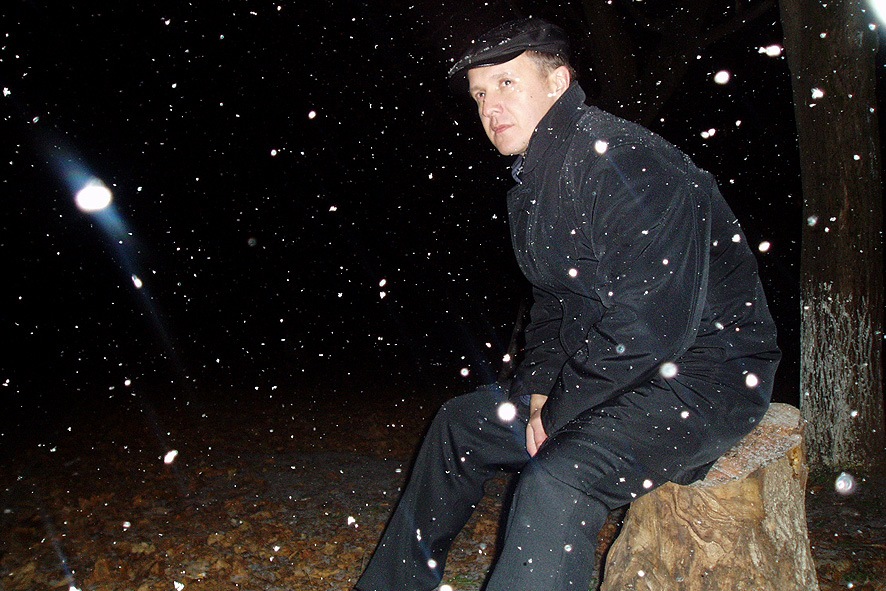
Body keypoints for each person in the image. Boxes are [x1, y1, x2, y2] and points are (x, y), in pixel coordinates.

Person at [355, 16, 780, 591]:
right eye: (480, 94)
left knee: (559, 477)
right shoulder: (534, 185)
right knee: (461, 425)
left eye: (507, 83)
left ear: (558, 82)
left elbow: (652, 324)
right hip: (620, 370)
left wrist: (558, 412)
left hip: (704, 377)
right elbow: (553, 307)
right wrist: (537, 392)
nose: (490, 107)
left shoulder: (625, 161)